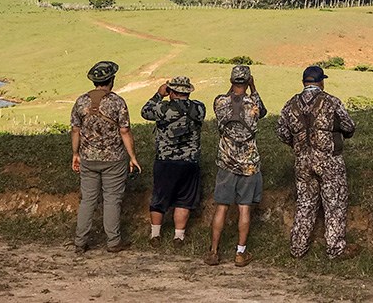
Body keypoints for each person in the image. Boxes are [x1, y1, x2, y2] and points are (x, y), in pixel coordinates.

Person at [276, 65, 358, 259]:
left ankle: (297, 248)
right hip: (329, 160)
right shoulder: (331, 101)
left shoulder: (290, 105)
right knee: (334, 204)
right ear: (321, 82)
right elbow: (349, 127)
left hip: (302, 161)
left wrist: (298, 145)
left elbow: (281, 132)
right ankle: (335, 249)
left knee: (305, 203)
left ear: (304, 82)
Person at [70, 60, 142, 253]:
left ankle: (80, 242)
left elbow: (75, 130)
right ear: (112, 80)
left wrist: (75, 154)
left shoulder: (81, 101)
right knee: (112, 199)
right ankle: (113, 241)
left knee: (88, 200)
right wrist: (132, 156)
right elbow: (125, 131)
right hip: (114, 159)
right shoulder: (117, 102)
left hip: (87, 157)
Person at [204, 65, 267, 267]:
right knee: (244, 209)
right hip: (248, 164)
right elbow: (262, 112)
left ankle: (214, 251)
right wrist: (254, 88)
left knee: (221, 207)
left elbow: (228, 102)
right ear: (248, 81)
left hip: (226, 162)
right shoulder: (253, 102)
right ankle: (240, 253)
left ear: (231, 81)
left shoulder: (219, 101)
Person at [140, 75, 206, 249]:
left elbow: (145, 111)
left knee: (159, 197)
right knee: (184, 199)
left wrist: (159, 94)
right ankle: (179, 236)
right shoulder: (199, 108)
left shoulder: (162, 108)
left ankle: (155, 234)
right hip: (190, 161)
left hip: (165, 160)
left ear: (172, 92)